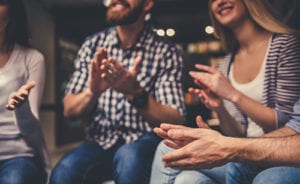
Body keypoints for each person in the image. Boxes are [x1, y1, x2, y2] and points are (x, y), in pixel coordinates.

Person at [150, 0, 300, 183]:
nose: (219, 2)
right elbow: (236, 134)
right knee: (188, 179)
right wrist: (220, 107)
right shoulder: (227, 62)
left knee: (165, 149)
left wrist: (231, 94)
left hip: (272, 153)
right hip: (241, 150)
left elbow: (288, 127)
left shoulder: (286, 46)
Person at [49, 0, 186, 183]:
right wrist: (92, 92)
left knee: (129, 158)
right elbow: (69, 110)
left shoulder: (165, 51)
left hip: (143, 142)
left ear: (147, 4)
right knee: (64, 171)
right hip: (100, 142)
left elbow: (175, 119)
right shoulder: (92, 45)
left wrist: (136, 93)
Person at [153, 99, 300, 183]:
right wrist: (223, 141)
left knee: (271, 179)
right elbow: (294, 127)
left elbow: (280, 120)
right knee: (187, 180)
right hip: (255, 144)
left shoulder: (285, 49)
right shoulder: (227, 62)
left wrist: (230, 147)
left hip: (277, 157)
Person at [0, 0, 50, 183]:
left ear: (11, 14)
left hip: (18, 156)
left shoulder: (32, 59)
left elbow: (30, 128)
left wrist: (21, 108)